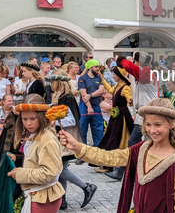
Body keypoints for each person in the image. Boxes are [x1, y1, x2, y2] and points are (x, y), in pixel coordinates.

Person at [59, 98, 175, 213]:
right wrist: (77, 146)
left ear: (171, 124)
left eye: (158, 125)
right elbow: (108, 157)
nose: (152, 130)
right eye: (148, 124)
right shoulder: (140, 150)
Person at [6, 94, 64, 213]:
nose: (28, 123)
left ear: (42, 117)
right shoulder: (34, 134)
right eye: (24, 119)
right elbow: (35, 160)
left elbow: (50, 173)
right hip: (37, 194)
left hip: (43, 198)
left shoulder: (47, 140)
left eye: (32, 119)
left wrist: (21, 174)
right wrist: (17, 158)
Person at [49, 70, 97, 210]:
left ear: (58, 82)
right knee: (61, 167)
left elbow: (72, 119)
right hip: (62, 136)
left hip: (67, 136)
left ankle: (86, 186)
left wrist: (53, 122)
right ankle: (62, 199)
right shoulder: (61, 96)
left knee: (60, 170)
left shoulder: (67, 98)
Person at [113, 52, 160, 180]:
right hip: (145, 113)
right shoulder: (148, 74)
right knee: (143, 142)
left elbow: (130, 68)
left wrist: (121, 60)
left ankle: (122, 172)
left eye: (135, 61)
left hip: (147, 115)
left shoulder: (145, 72)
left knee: (136, 142)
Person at [95, 65, 134, 174]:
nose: (113, 75)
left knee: (121, 137)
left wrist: (130, 101)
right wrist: (102, 79)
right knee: (111, 136)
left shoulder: (125, 87)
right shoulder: (117, 86)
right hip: (115, 115)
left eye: (114, 74)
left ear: (119, 75)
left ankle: (120, 162)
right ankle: (110, 162)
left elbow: (129, 99)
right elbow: (110, 90)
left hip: (122, 116)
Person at [78, 59, 105, 147]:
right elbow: (83, 95)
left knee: (98, 131)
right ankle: (82, 155)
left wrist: (90, 95)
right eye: (96, 67)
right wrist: (89, 107)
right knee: (82, 131)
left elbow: (101, 90)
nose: (98, 69)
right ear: (90, 68)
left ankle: (98, 154)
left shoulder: (99, 78)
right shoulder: (82, 79)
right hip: (84, 107)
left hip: (96, 106)